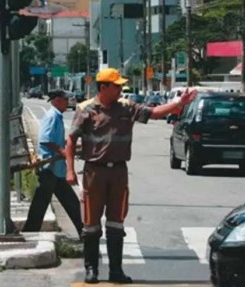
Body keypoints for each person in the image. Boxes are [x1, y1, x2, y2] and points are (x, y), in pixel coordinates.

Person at [65, 68, 196, 284]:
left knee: (116, 223)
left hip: (118, 171)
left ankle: (116, 270)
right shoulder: (85, 109)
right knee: (91, 224)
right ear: (104, 87)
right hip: (94, 172)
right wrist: (70, 170)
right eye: (116, 86)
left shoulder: (127, 107)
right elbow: (71, 141)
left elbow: (154, 113)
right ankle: (91, 269)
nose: (120, 89)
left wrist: (179, 103)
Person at [23, 89, 83, 237]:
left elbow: (55, 140)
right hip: (50, 168)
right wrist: (63, 152)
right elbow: (45, 139)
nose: (67, 102)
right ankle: (30, 231)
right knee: (43, 203)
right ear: (56, 100)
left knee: (69, 202)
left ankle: (84, 231)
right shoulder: (52, 116)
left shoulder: (57, 116)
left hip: (56, 170)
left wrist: (71, 146)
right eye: (64, 99)